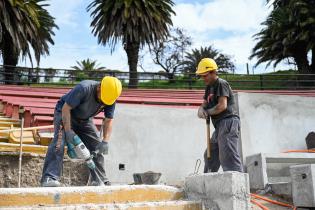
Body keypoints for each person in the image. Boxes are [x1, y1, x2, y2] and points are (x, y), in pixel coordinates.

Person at [41, 76, 122, 187]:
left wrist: (105, 141)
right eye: (102, 98)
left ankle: (99, 179)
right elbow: (66, 108)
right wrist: (68, 132)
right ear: (99, 87)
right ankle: (49, 177)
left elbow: (108, 120)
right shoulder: (84, 88)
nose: (103, 102)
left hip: (84, 119)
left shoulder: (110, 97)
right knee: (59, 142)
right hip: (65, 113)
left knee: (97, 146)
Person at [196, 58, 243, 173]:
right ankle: (208, 180)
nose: (203, 78)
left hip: (228, 122)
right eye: (201, 76)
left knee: (228, 155)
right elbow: (203, 105)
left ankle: (237, 185)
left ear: (213, 72)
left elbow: (222, 106)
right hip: (219, 126)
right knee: (210, 155)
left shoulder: (221, 84)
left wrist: (208, 112)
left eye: (205, 75)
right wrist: (201, 110)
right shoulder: (209, 87)